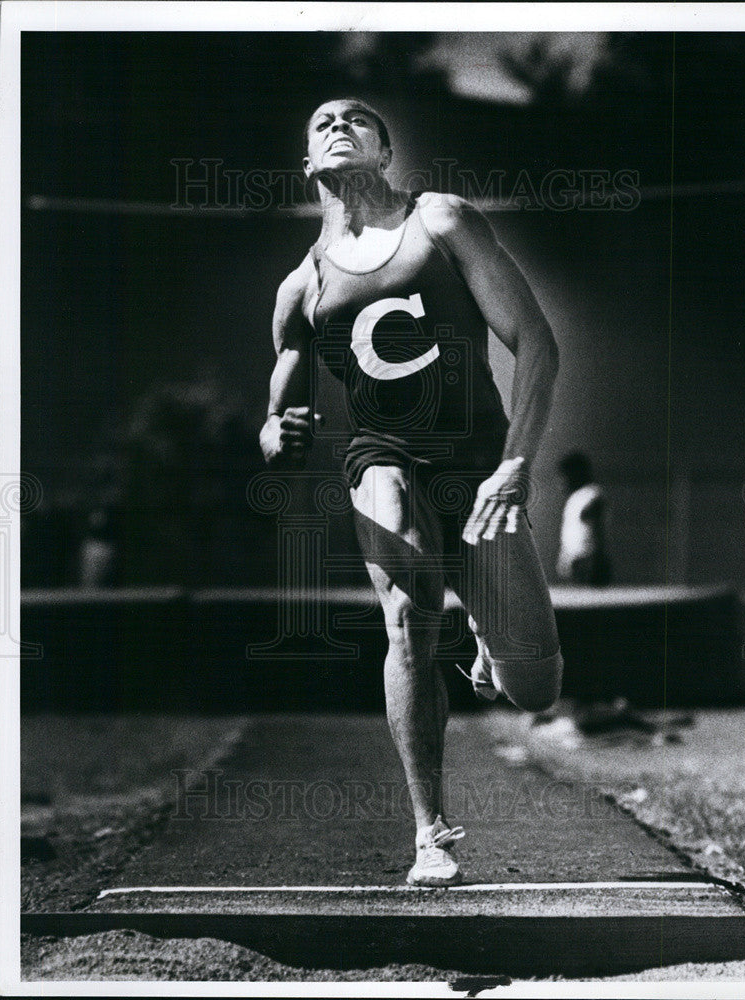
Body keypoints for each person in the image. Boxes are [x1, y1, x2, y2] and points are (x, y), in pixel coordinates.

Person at [259, 98, 563, 886]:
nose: (337, 124)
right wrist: (275, 436)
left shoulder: (441, 221)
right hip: (380, 456)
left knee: (535, 689)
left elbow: (534, 342)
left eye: (357, 119)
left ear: (386, 150)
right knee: (409, 618)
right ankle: (430, 832)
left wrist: (516, 464)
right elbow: (277, 407)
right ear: (307, 164)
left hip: (477, 466)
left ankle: (494, 648)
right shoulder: (304, 285)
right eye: (320, 120)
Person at [556, 452, 611, 586]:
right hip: (576, 560)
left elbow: (597, 531)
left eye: (565, 476)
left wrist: (594, 561)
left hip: (587, 561)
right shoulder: (576, 497)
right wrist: (565, 557)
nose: (562, 481)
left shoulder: (591, 495)